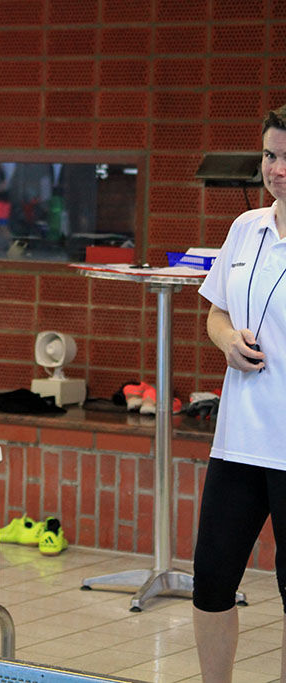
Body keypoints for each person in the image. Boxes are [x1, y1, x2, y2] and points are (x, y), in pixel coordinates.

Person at [193, 103, 286, 682]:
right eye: (271, 155)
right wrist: (227, 339)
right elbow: (217, 312)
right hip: (238, 443)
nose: (278, 169)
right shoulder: (246, 228)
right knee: (211, 581)